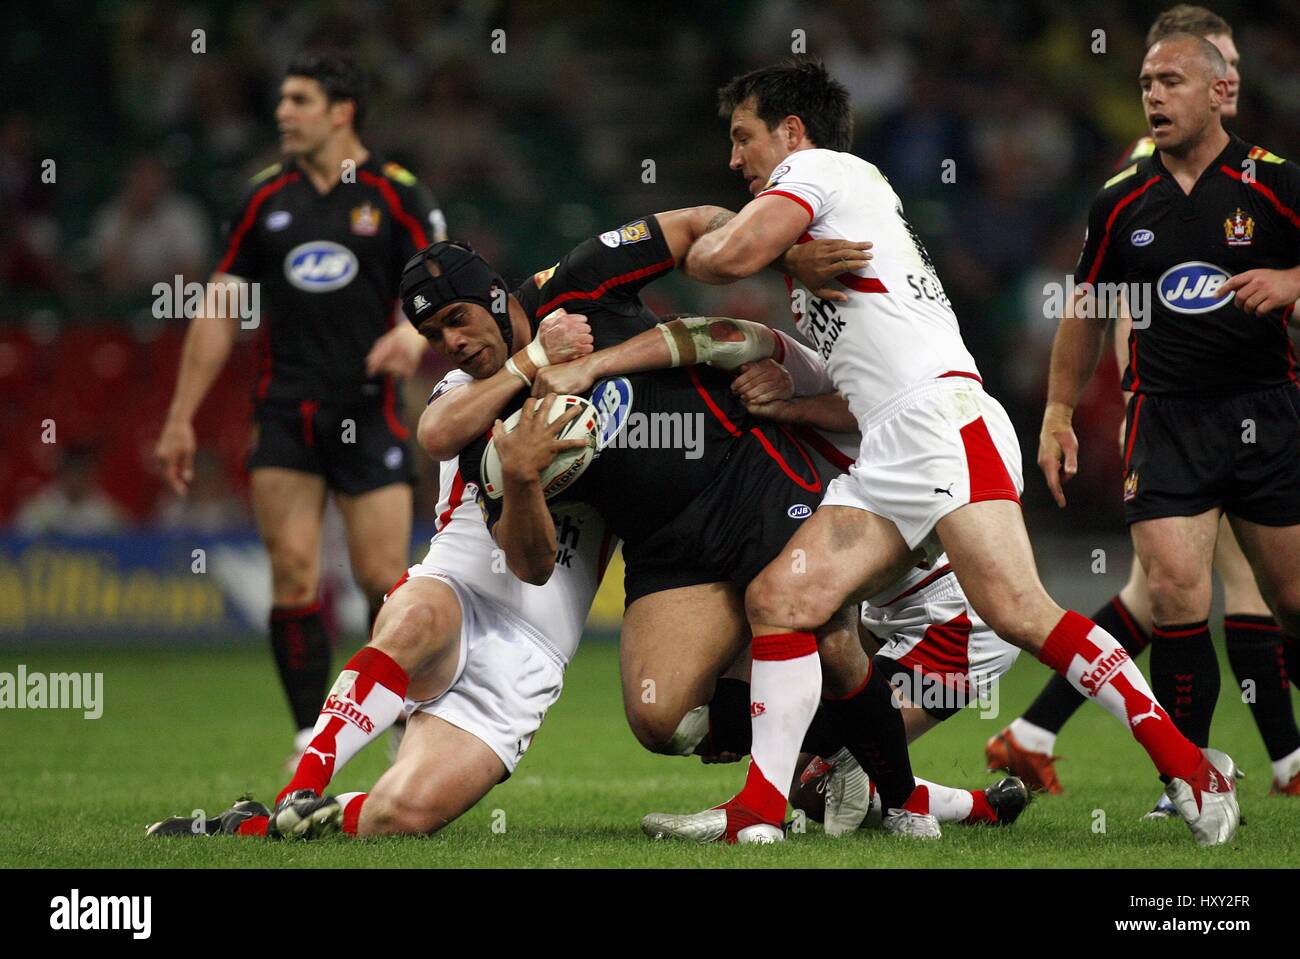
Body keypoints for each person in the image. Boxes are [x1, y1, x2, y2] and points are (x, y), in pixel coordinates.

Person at [643, 56, 1238, 847]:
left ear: (791, 134)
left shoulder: (822, 169)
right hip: (899, 436)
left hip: (940, 423)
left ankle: (1190, 767)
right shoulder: (840, 207)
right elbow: (863, 373)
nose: (733, 157)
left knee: (1020, 611)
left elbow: (718, 259)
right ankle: (756, 815)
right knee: (783, 600)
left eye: (742, 137)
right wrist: (792, 395)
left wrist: (759, 251)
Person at [990, 4, 1300, 804]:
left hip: (1267, 412)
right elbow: (1087, 309)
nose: (1155, 96)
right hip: (1163, 416)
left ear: (1221, 90)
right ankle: (1192, 777)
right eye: (1146, 83)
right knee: (1172, 596)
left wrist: (1295, 283)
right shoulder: (1122, 199)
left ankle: (1034, 730)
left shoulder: (1275, 183)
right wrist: (1058, 414)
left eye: (1171, 81)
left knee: (1286, 598)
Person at [153, 51, 446, 765]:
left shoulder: (397, 195)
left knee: (384, 576)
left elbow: (444, 283)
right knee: (291, 570)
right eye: (282, 99)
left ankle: (400, 723)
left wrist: (413, 331)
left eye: (298, 99)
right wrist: (180, 414)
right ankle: (310, 736)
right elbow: (221, 305)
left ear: (341, 111)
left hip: (370, 411)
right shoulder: (262, 199)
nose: (282, 111)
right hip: (284, 412)